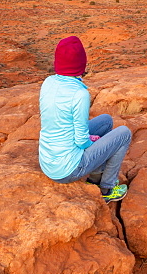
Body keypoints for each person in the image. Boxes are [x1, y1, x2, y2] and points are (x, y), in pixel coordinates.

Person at [38, 35, 131, 202]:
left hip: (48, 162)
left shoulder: (48, 82)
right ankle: (107, 190)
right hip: (68, 170)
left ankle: (95, 176)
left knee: (106, 121)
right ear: (81, 64)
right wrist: (92, 142)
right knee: (124, 133)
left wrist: (92, 140)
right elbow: (81, 140)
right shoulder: (79, 94)